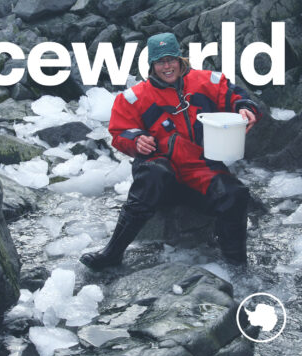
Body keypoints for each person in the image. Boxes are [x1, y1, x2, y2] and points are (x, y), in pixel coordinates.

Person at [80, 32, 261, 271]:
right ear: (152, 66)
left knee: (235, 193)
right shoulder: (134, 97)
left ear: (180, 59)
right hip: (160, 173)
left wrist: (245, 107)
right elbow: (119, 132)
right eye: (160, 62)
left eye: (171, 59)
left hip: (199, 169)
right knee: (155, 173)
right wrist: (135, 140)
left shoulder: (206, 81)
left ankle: (238, 268)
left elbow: (234, 94)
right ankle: (112, 254)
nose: (167, 66)